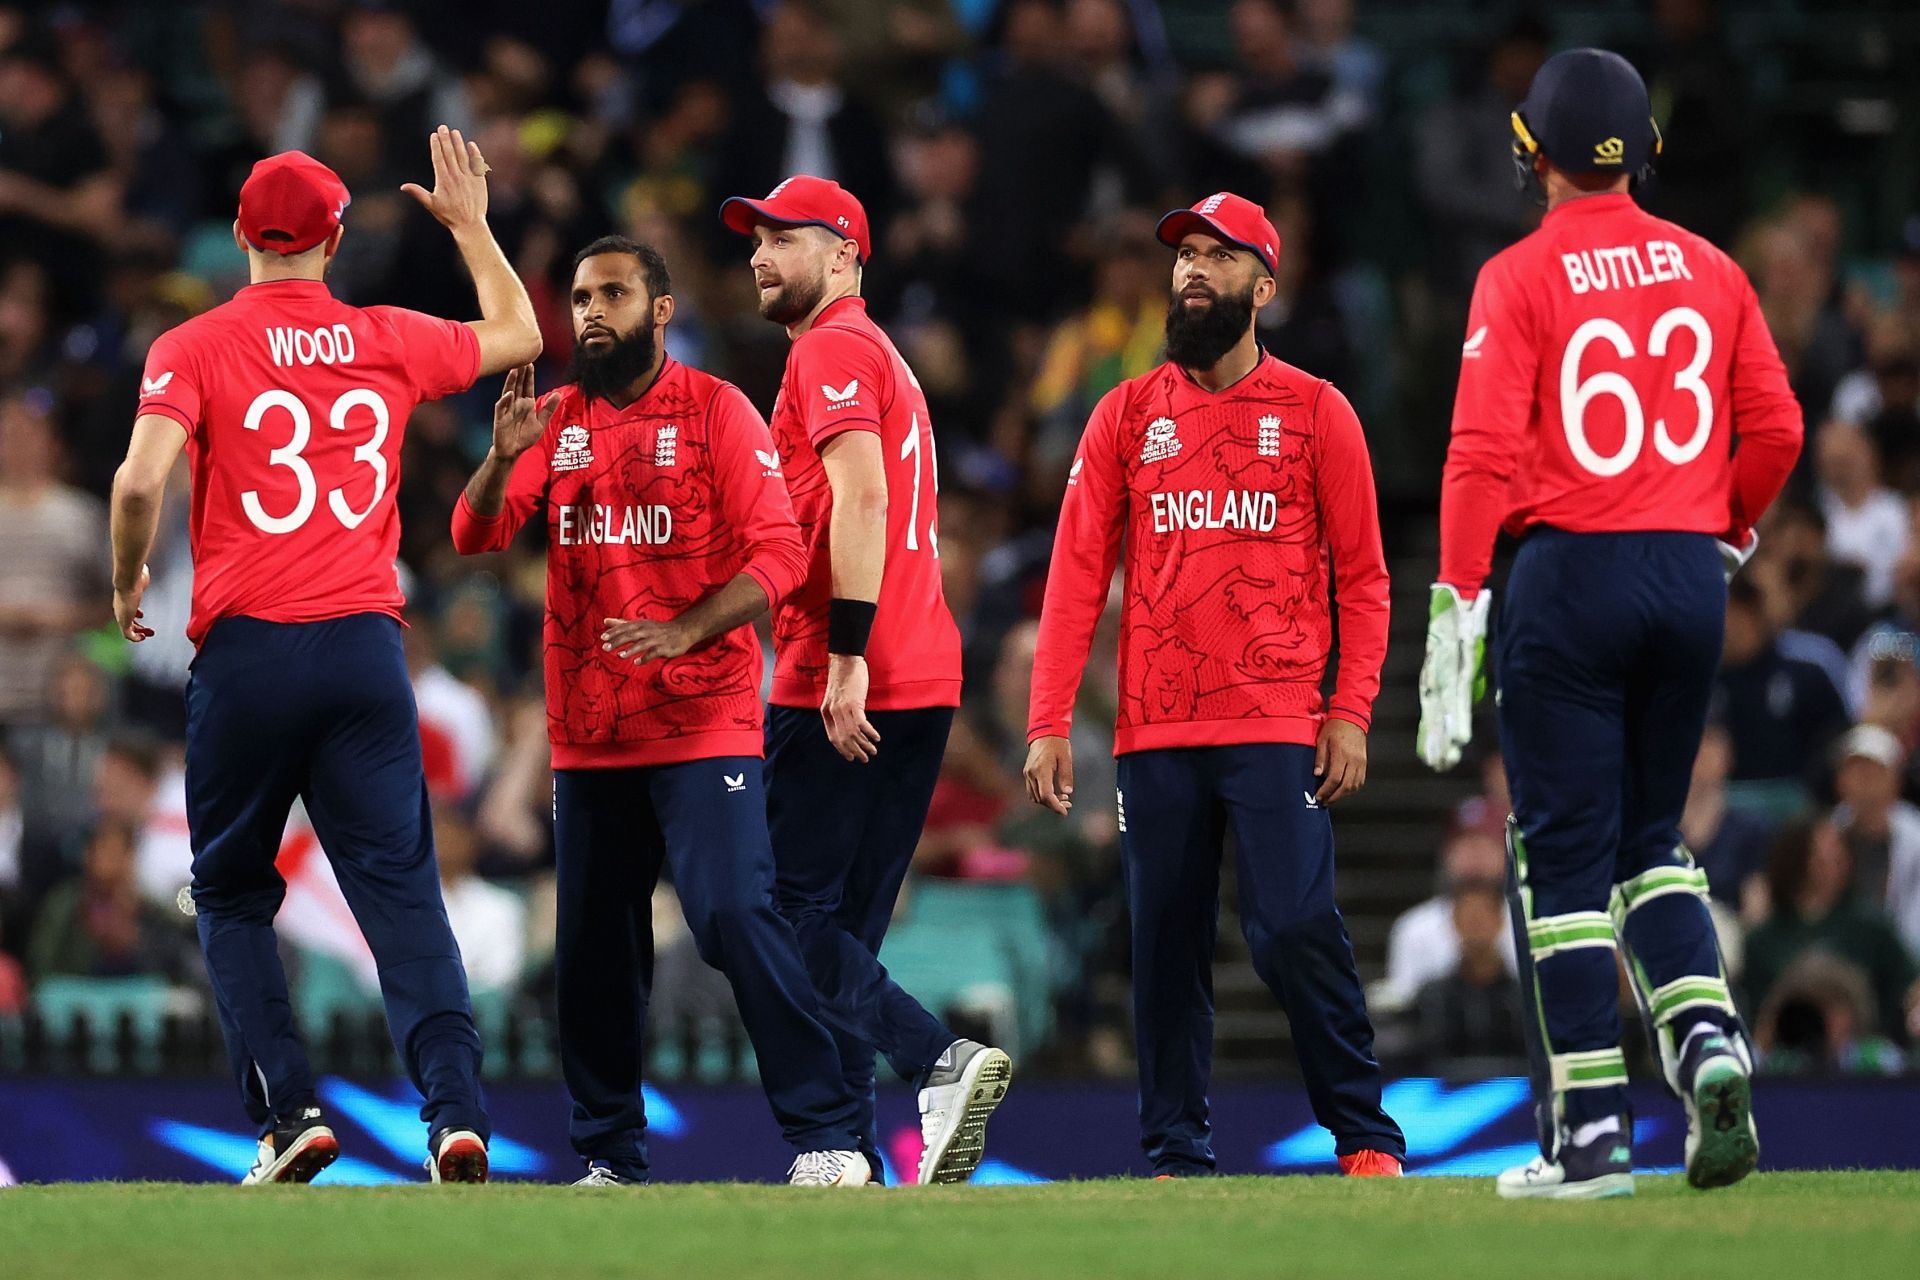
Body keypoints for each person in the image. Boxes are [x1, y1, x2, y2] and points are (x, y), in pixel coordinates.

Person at [108, 128, 542, 1186]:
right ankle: (455, 1115)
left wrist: (126, 583)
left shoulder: (193, 344)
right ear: (334, 238)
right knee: (401, 893)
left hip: (249, 649)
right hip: (362, 646)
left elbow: (135, 484)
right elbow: (520, 329)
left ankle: (290, 1112)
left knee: (232, 892)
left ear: (244, 236)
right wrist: (473, 227)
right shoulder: (383, 334)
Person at [1418, 51, 1803, 1198]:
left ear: (1530, 151)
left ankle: (1589, 1134)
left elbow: (1483, 454)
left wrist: (1457, 594)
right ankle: (1706, 1042)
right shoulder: (1715, 268)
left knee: (1563, 858)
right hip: (1688, 576)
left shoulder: (1518, 274)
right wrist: (1725, 530)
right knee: (1655, 842)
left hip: (1569, 575)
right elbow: (1775, 428)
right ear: (1648, 152)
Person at [450, 234, 875, 1188]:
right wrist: (494, 460)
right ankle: (609, 1156)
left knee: (730, 914)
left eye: (611, 294)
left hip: (704, 722)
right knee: (595, 953)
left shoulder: (718, 410)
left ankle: (830, 1139)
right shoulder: (551, 419)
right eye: (579, 298)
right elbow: (473, 533)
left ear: (661, 310)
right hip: (589, 734)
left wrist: (687, 631)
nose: (590, 313)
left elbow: (780, 557)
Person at [1024, 191, 1405, 1178]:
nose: (1192, 270)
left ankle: (1364, 1133)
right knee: (1165, 947)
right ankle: (1176, 1151)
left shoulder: (1320, 411)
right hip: (1154, 727)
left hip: (1277, 718)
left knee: (1292, 926)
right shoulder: (1123, 413)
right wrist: (1049, 717)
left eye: (1218, 257)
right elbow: (1075, 573)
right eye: (1184, 254)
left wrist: (1351, 709)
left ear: (1264, 286)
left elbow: (1364, 577)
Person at [719, 175, 1012, 1186]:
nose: (758, 254)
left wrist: (843, 652)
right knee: (842, 934)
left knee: (776, 916)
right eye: (753, 239)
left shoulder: (832, 348)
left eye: (780, 239)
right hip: (921, 671)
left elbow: (863, 496)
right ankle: (841, 1150)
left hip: (846, 672)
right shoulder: (883, 356)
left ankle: (937, 1061)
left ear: (843, 253)